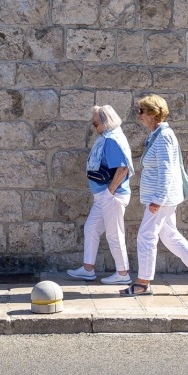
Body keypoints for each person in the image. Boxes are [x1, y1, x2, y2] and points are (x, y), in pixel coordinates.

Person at [121, 94, 188, 297]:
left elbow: (166, 171)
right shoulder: (156, 135)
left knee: (146, 237)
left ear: (153, 113)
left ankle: (143, 283)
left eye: (142, 111)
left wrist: (158, 199)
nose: (138, 115)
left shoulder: (163, 137)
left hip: (161, 199)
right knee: (170, 236)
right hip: (163, 198)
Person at [67, 104, 134, 285]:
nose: (94, 127)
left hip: (111, 195)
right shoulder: (109, 136)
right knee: (91, 228)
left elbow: (123, 167)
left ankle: (123, 273)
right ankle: (88, 269)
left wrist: (109, 192)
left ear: (106, 122)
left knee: (114, 234)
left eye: (96, 124)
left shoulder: (111, 140)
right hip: (104, 195)